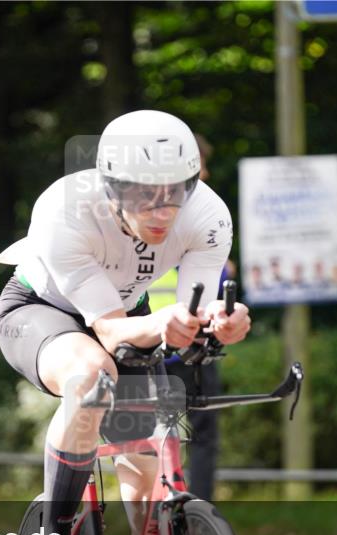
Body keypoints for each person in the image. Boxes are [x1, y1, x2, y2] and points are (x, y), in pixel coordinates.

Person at [0, 110, 251, 535]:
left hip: (130, 316)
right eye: (143, 196)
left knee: (148, 479)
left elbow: (195, 308)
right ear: (112, 188)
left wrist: (222, 321)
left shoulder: (209, 214)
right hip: (44, 310)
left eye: (175, 192)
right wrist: (166, 324)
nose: (161, 211)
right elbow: (106, 332)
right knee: (91, 379)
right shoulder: (64, 209)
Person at [146, 133, 228, 501]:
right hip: (168, 344)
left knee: (163, 435)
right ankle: (195, 514)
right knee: (199, 435)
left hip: (164, 344)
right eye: (200, 165)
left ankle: (180, 515)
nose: (206, 173)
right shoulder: (180, 218)